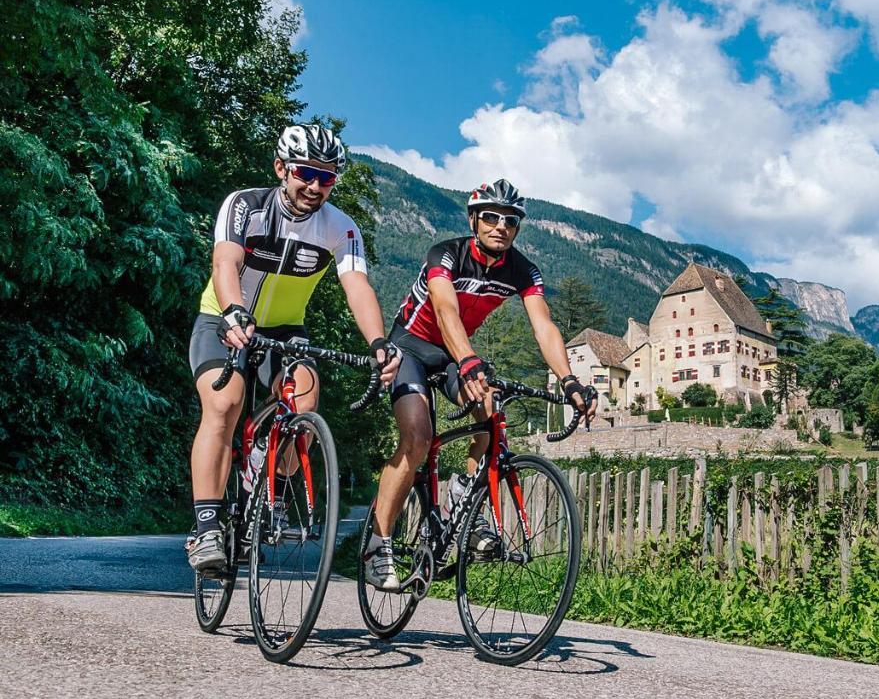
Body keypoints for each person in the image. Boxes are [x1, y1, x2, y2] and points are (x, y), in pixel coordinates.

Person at [186, 124, 400, 571]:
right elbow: (226, 263)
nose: (316, 186)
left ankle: (270, 497)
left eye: (327, 178)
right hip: (223, 316)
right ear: (282, 168)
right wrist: (233, 311)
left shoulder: (340, 228)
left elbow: (356, 286)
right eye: (306, 173)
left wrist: (379, 343)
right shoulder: (245, 206)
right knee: (224, 405)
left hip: (285, 330)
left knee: (304, 398)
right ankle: (207, 527)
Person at [365, 178, 596, 589]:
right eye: (490, 216)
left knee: (491, 411)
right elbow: (445, 309)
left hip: (457, 354)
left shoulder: (522, 270)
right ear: (474, 219)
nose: (500, 226)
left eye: (510, 220)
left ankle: (464, 497)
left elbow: (544, 326)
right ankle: (378, 543)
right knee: (417, 437)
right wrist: (469, 361)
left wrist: (570, 381)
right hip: (412, 348)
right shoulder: (446, 254)